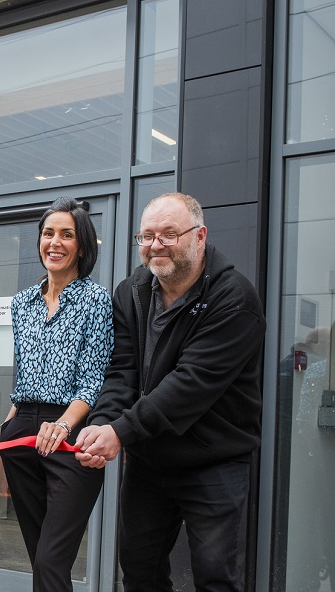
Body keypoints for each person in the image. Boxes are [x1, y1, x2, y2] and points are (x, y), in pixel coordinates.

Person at [76, 192, 265, 591]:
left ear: (200, 236)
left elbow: (191, 383)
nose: (155, 245)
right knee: (140, 572)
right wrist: (102, 423)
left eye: (168, 234)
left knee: (215, 575)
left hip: (214, 462)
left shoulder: (234, 298)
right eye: (146, 236)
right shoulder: (131, 291)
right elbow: (121, 372)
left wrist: (119, 432)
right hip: (149, 461)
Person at [0, 196, 112, 591]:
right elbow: (26, 365)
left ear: (82, 245)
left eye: (67, 235)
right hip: (22, 433)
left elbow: (93, 379)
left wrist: (63, 424)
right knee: (40, 558)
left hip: (70, 432)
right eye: (48, 233)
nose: (55, 242)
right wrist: (14, 412)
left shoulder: (96, 301)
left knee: (51, 557)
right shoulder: (22, 303)